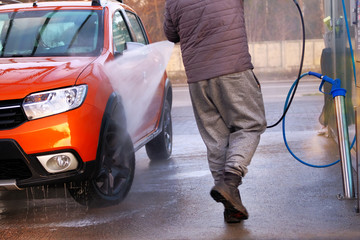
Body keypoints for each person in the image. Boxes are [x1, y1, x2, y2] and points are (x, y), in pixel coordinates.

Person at [163, 0, 267, 223]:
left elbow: (171, 34)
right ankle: (230, 181)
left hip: (198, 78)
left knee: (216, 140)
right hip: (233, 68)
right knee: (250, 125)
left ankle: (231, 207)